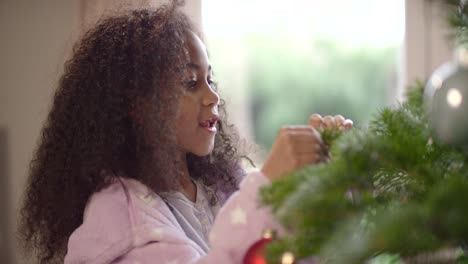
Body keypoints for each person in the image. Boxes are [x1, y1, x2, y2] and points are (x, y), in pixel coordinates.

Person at [19, 2, 353, 264]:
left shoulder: (223, 187)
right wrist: (267, 188)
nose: (212, 96)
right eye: (190, 83)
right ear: (137, 106)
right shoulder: (123, 223)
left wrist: (320, 185)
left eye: (210, 79)